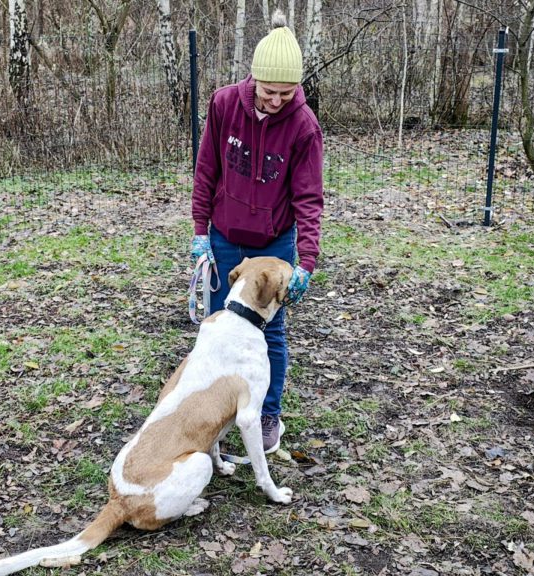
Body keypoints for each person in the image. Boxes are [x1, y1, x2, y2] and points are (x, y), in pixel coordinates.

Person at [190, 10, 324, 454]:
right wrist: (199, 232)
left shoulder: (303, 126)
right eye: (270, 91)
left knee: (271, 331)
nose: (277, 100)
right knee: (221, 328)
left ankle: (268, 414)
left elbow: (309, 198)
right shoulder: (225, 104)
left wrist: (305, 262)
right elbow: (207, 169)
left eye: (287, 93)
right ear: (254, 80)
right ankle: (218, 412)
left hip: (273, 242)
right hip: (225, 236)